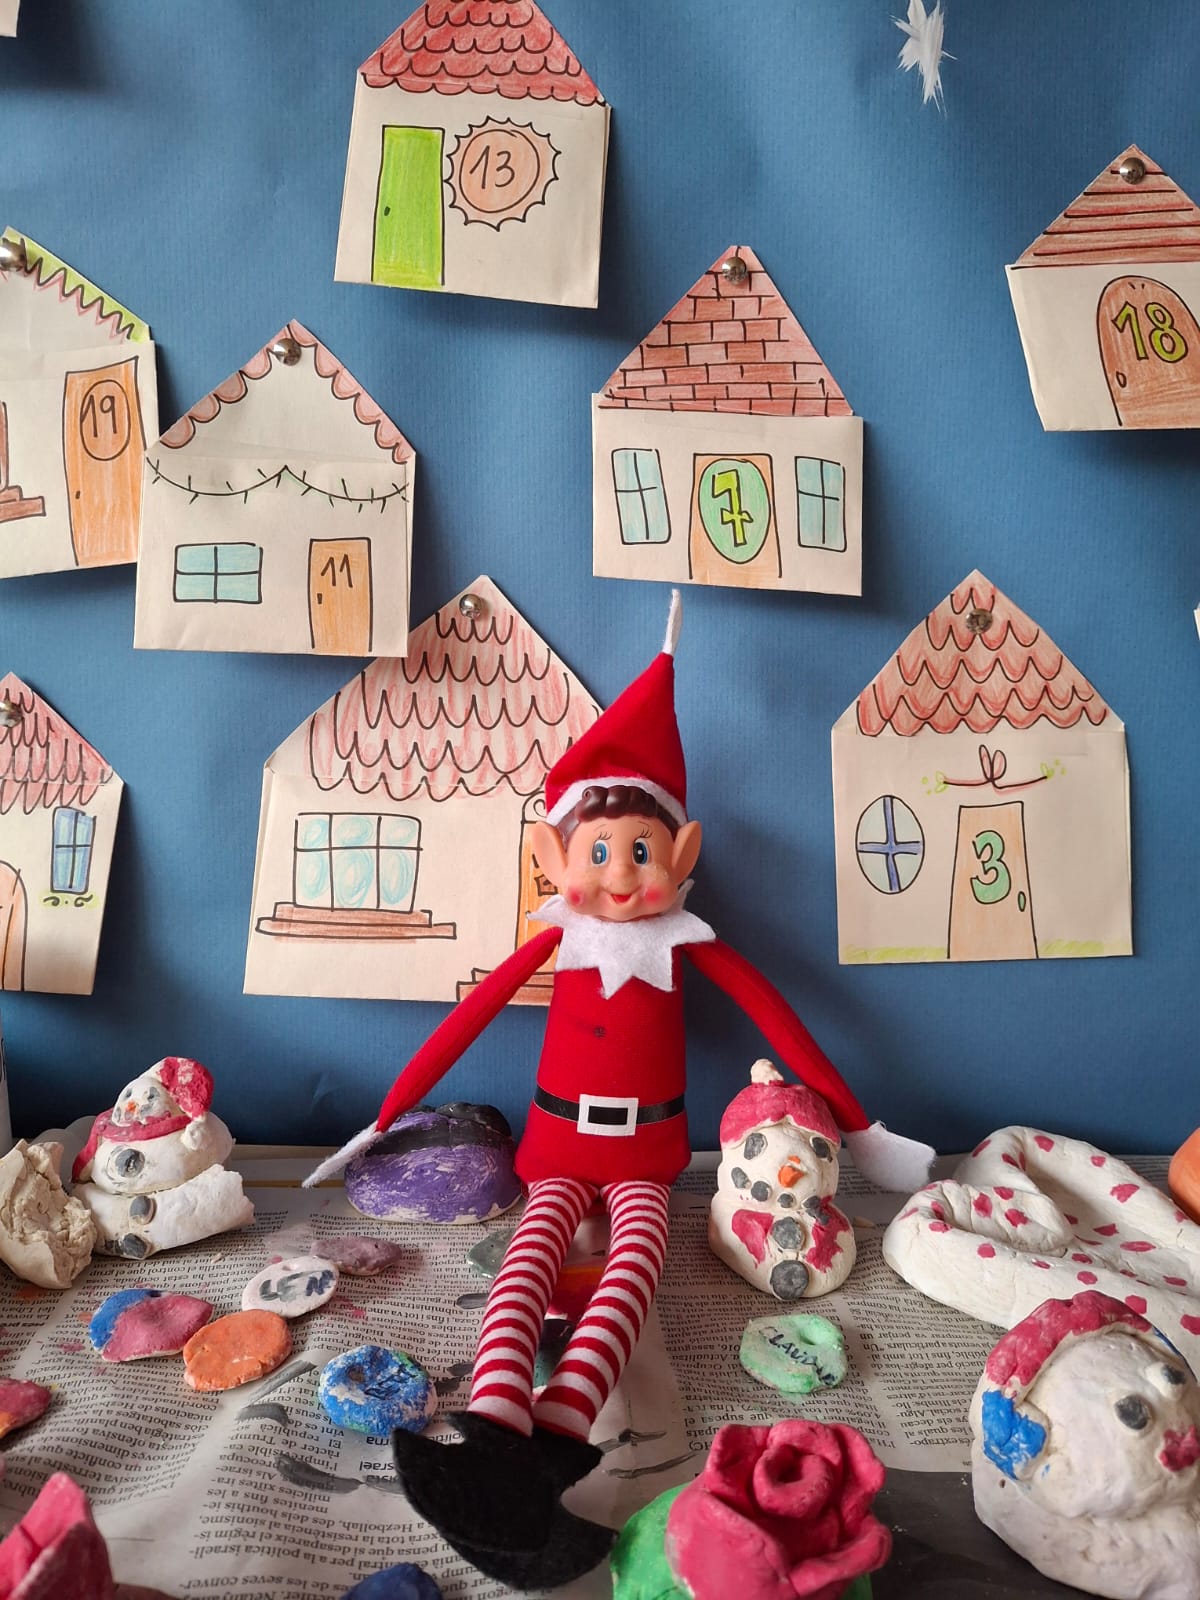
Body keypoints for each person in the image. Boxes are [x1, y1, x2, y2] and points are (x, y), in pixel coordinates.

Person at [307, 591, 934, 1587]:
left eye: (641, 852)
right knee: (527, 1258)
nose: (619, 874)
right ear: (556, 859)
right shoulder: (558, 939)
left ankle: (556, 1440)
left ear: (679, 858)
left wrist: (859, 1128)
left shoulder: (690, 943)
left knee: (634, 1268)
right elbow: (461, 1025)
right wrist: (378, 1122)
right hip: (555, 1149)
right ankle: (492, 1422)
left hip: (649, 1153)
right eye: (597, 853)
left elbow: (785, 1024)